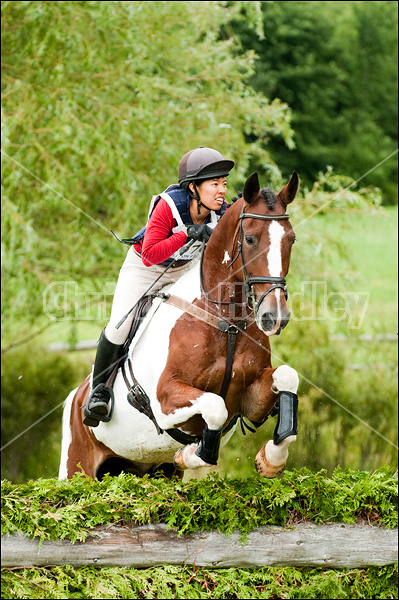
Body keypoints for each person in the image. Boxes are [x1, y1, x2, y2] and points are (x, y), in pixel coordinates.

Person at [83, 146, 235, 427]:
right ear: (193, 187)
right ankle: (99, 393)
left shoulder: (221, 211)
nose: (222, 190)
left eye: (224, 183)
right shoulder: (169, 205)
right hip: (144, 268)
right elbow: (152, 252)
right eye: (215, 184)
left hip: (184, 270)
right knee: (120, 326)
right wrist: (188, 232)